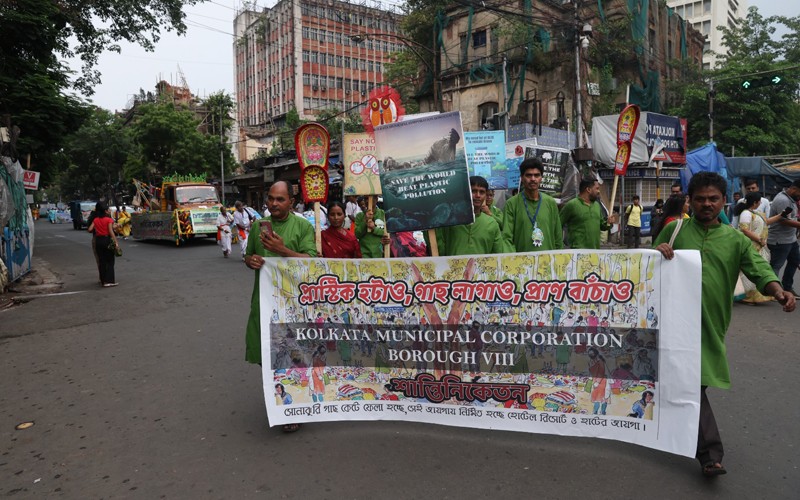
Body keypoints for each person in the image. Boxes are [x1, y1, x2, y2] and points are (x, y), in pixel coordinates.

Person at [654, 171, 795, 477]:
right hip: (672, 322)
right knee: (692, 383)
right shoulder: (675, 230)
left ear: (722, 202)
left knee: (689, 382)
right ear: (690, 201)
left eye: (713, 198)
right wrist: (660, 251)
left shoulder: (734, 239)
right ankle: (709, 454)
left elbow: (758, 268)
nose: (707, 204)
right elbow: (648, 265)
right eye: (701, 198)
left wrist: (778, 290)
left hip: (711, 324)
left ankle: (675, 433)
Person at [244, 181, 316, 433]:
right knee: (268, 353)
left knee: (292, 353)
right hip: (264, 301)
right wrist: (250, 260)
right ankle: (280, 402)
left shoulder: (304, 226)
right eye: (271, 199)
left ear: (291, 202)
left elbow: (312, 261)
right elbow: (248, 256)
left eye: (280, 200)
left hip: (293, 303)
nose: (273, 204)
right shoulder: (257, 227)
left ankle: (291, 406)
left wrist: (282, 250)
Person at [434, 176, 509, 255]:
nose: (478, 195)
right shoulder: (450, 221)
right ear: (465, 192)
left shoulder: (492, 224)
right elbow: (438, 248)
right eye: (473, 191)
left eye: (482, 192)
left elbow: (498, 255)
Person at [501, 158, 563, 252]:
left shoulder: (550, 202)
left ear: (541, 178)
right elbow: (506, 238)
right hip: (522, 263)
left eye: (536, 175)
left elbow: (558, 236)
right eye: (529, 175)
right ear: (521, 178)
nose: (533, 179)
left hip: (548, 263)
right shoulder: (511, 204)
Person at [735, 192, 786, 304]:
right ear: (755, 202)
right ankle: (747, 295)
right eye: (759, 202)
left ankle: (755, 294)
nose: (760, 203)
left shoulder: (756, 213)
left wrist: (780, 215)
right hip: (750, 245)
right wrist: (759, 239)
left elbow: (766, 222)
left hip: (760, 245)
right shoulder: (746, 214)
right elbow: (745, 230)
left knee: (758, 269)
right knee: (749, 270)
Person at [559, 177, 615, 249]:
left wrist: (609, 222)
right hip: (577, 252)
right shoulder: (572, 205)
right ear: (588, 189)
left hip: (595, 251)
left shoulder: (597, 205)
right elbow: (558, 225)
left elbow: (602, 226)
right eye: (597, 188)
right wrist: (559, 245)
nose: (599, 191)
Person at [767, 180, 800, 298]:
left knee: (795, 261)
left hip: (790, 239)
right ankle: (773, 292)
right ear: (794, 189)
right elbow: (784, 220)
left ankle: (787, 287)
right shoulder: (783, 200)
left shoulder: (790, 199)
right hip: (779, 240)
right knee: (776, 266)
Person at [87, 202, 120, 287]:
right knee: (110, 261)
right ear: (105, 211)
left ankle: (103, 281)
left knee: (102, 261)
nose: (109, 210)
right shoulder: (108, 220)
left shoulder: (95, 219)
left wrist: (98, 229)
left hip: (98, 240)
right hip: (107, 240)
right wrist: (116, 242)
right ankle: (110, 281)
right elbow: (111, 231)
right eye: (108, 209)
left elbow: (90, 229)